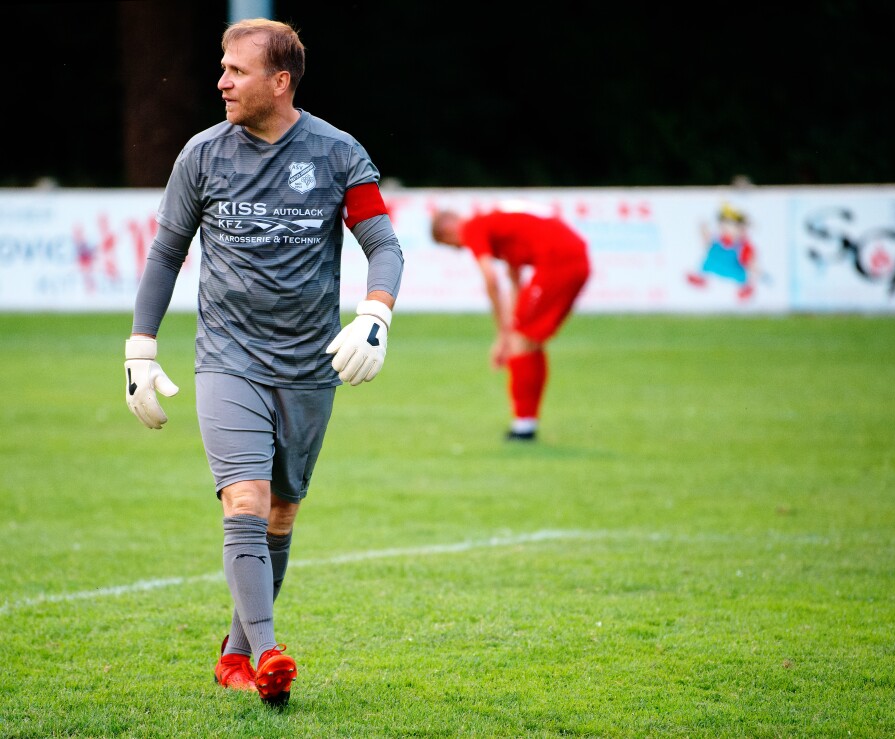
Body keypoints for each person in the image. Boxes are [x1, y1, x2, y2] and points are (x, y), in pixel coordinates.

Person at [122, 18, 404, 707]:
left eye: (236, 71)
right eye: (221, 67)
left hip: (311, 364)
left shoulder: (337, 153)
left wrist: (375, 313)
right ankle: (271, 650)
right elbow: (165, 254)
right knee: (243, 499)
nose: (221, 81)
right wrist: (140, 346)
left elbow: (384, 244)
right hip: (228, 357)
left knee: (280, 511)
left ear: (280, 82)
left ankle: (236, 650)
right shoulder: (201, 155)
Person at [430, 202, 590, 441]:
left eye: (448, 244)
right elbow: (515, 282)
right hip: (573, 257)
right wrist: (510, 330)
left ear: (448, 230)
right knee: (527, 341)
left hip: (559, 261)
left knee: (521, 341)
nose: (456, 249)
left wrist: (503, 336)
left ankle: (523, 426)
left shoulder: (473, 227)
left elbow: (491, 280)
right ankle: (526, 423)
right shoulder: (497, 230)